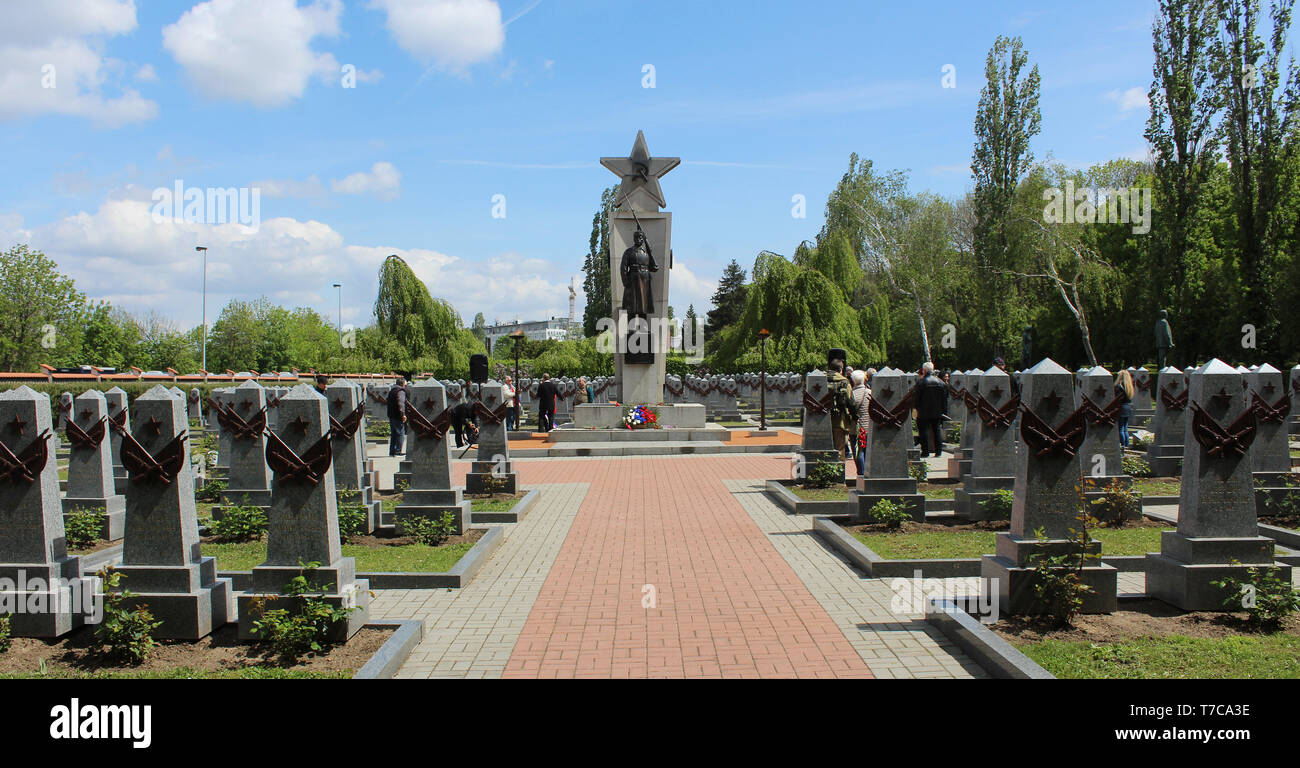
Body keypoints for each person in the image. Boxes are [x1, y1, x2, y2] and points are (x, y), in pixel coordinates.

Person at [914, 362, 948, 458]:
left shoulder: (921, 382)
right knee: (936, 430)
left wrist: (916, 408)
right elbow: (944, 399)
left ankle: (925, 452)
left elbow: (917, 398)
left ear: (924, 370)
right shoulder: (940, 382)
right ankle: (938, 451)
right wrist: (944, 411)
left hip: (923, 411)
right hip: (937, 411)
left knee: (923, 431)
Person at [828, 359, 856, 460]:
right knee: (839, 449)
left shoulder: (820, 379)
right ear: (841, 369)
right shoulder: (844, 381)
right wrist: (855, 417)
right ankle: (838, 471)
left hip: (821, 421)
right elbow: (850, 401)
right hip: (839, 420)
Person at [850, 369, 871, 477]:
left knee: (857, 450)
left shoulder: (851, 393)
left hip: (854, 427)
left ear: (853, 380)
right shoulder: (869, 392)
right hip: (867, 426)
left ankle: (860, 472)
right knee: (865, 450)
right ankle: (866, 472)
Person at [386, 377, 407, 456]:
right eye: (405, 384)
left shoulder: (392, 390)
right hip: (397, 415)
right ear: (402, 384)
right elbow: (401, 403)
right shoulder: (401, 391)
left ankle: (392, 451)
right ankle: (398, 451)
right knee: (400, 433)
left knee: (394, 433)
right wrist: (403, 414)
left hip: (391, 414)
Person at [1115, 368, 1136, 447]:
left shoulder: (1119, 386)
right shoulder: (1129, 385)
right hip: (1128, 408)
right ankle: (1126, 445)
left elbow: (1117, 398)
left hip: (1121, 408)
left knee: (1120, 429)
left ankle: (1122, 445)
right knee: (1125, 429)